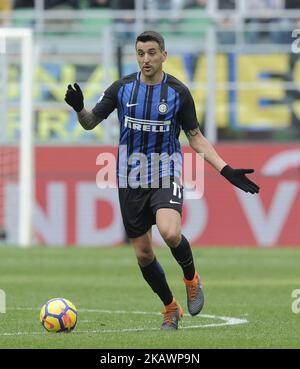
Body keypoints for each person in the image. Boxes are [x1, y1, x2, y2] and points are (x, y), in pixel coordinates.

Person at [65, 30, 260, 330]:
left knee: (170, 233)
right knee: (144, 255)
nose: (146, 59)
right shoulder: (122, 88)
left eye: (152, 52)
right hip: (129, 180)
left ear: (164, 55)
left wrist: (226, 170)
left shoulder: (178, 93)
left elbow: (195, 139)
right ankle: (171, 307)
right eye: (141, 53)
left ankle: (191, 279)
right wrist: (79, 108)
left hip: (165, 172)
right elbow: (90, 123)